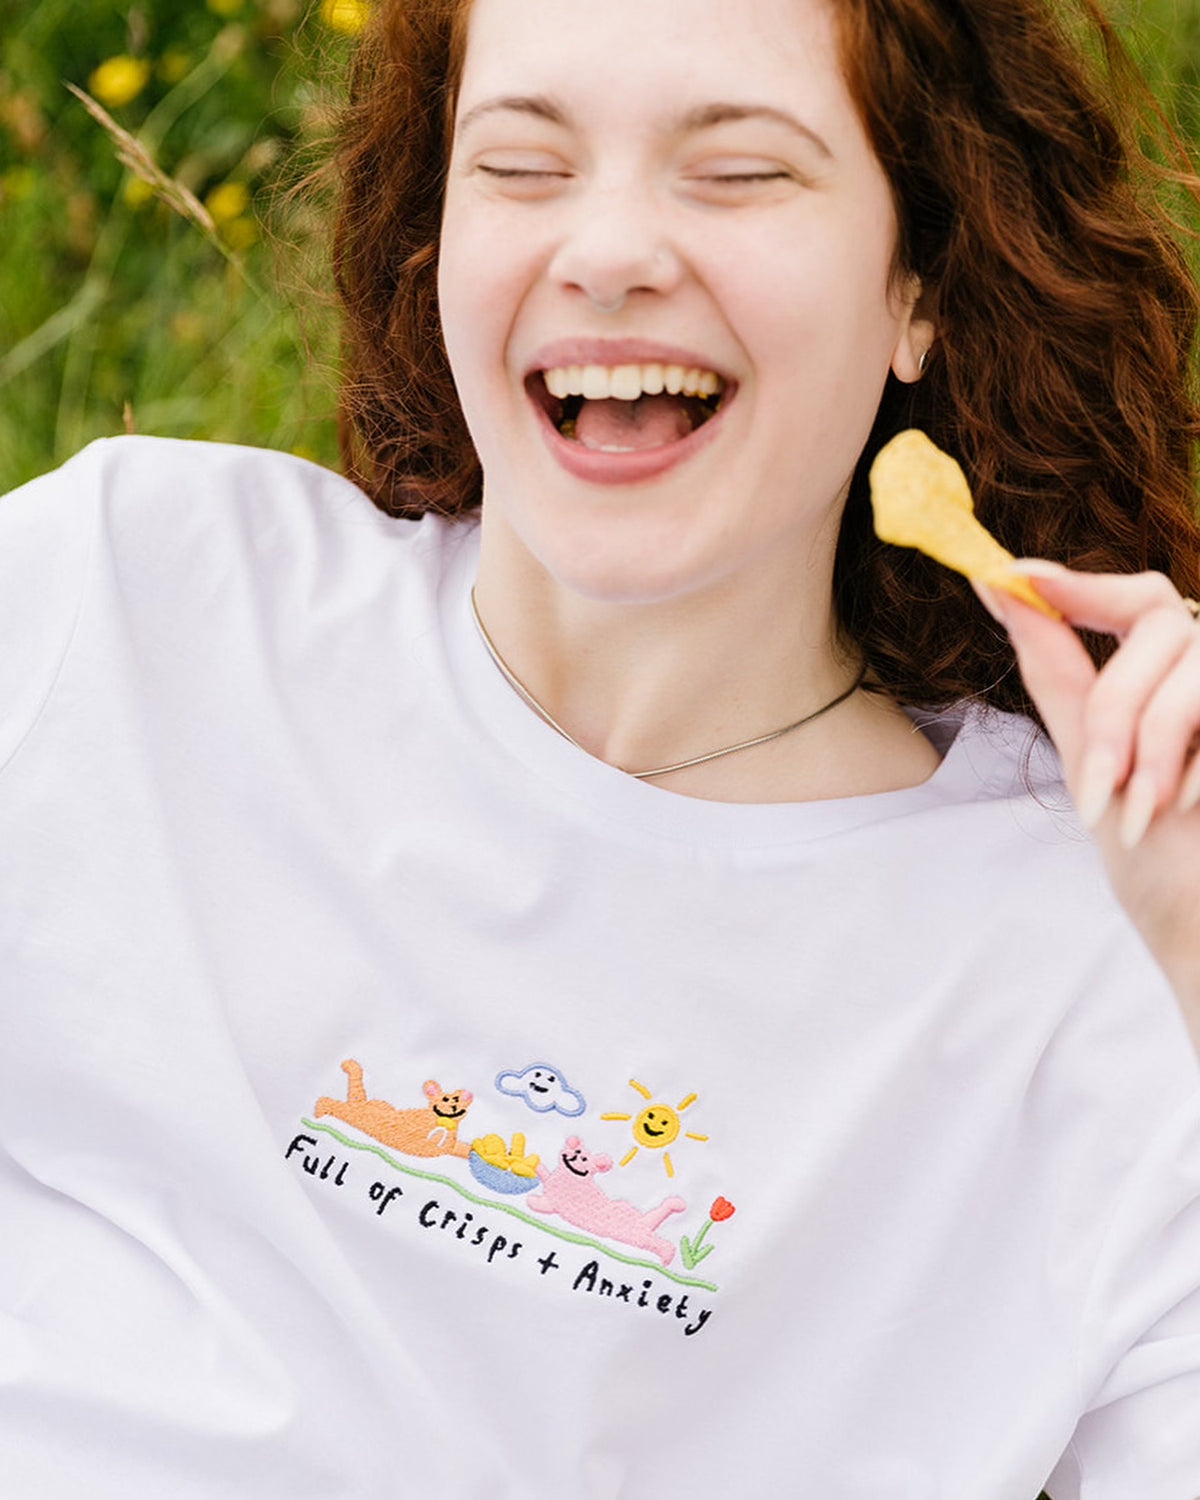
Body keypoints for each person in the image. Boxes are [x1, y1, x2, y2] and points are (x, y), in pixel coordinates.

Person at [1, 0, 1199, 1495]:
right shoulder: (122, 602)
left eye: (739, 171)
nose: (611, 248)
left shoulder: (1112, 951)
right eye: (521, 164)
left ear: (919, 283)